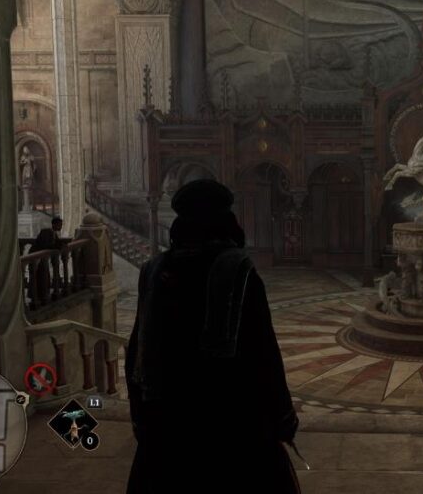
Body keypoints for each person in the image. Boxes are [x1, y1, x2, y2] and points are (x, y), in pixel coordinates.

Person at [125, 180, 300, 493]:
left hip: (168, 421)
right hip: (229, 420)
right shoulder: (238, 270)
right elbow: (263, 354)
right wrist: (283, 417)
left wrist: (141, 415)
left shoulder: (153, 269)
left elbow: (137, 352)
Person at [29, 217, 63, 304]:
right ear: (54, 224)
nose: (60, 227)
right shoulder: (46, 232)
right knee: (38, 276)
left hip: (42, 258)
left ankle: (42, 294)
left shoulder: (53, 233)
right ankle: (36, 295)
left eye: (61, 225)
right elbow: (46, 245)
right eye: (59, 225)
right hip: (36, 257)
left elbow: (57, 243)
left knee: (43, 275)